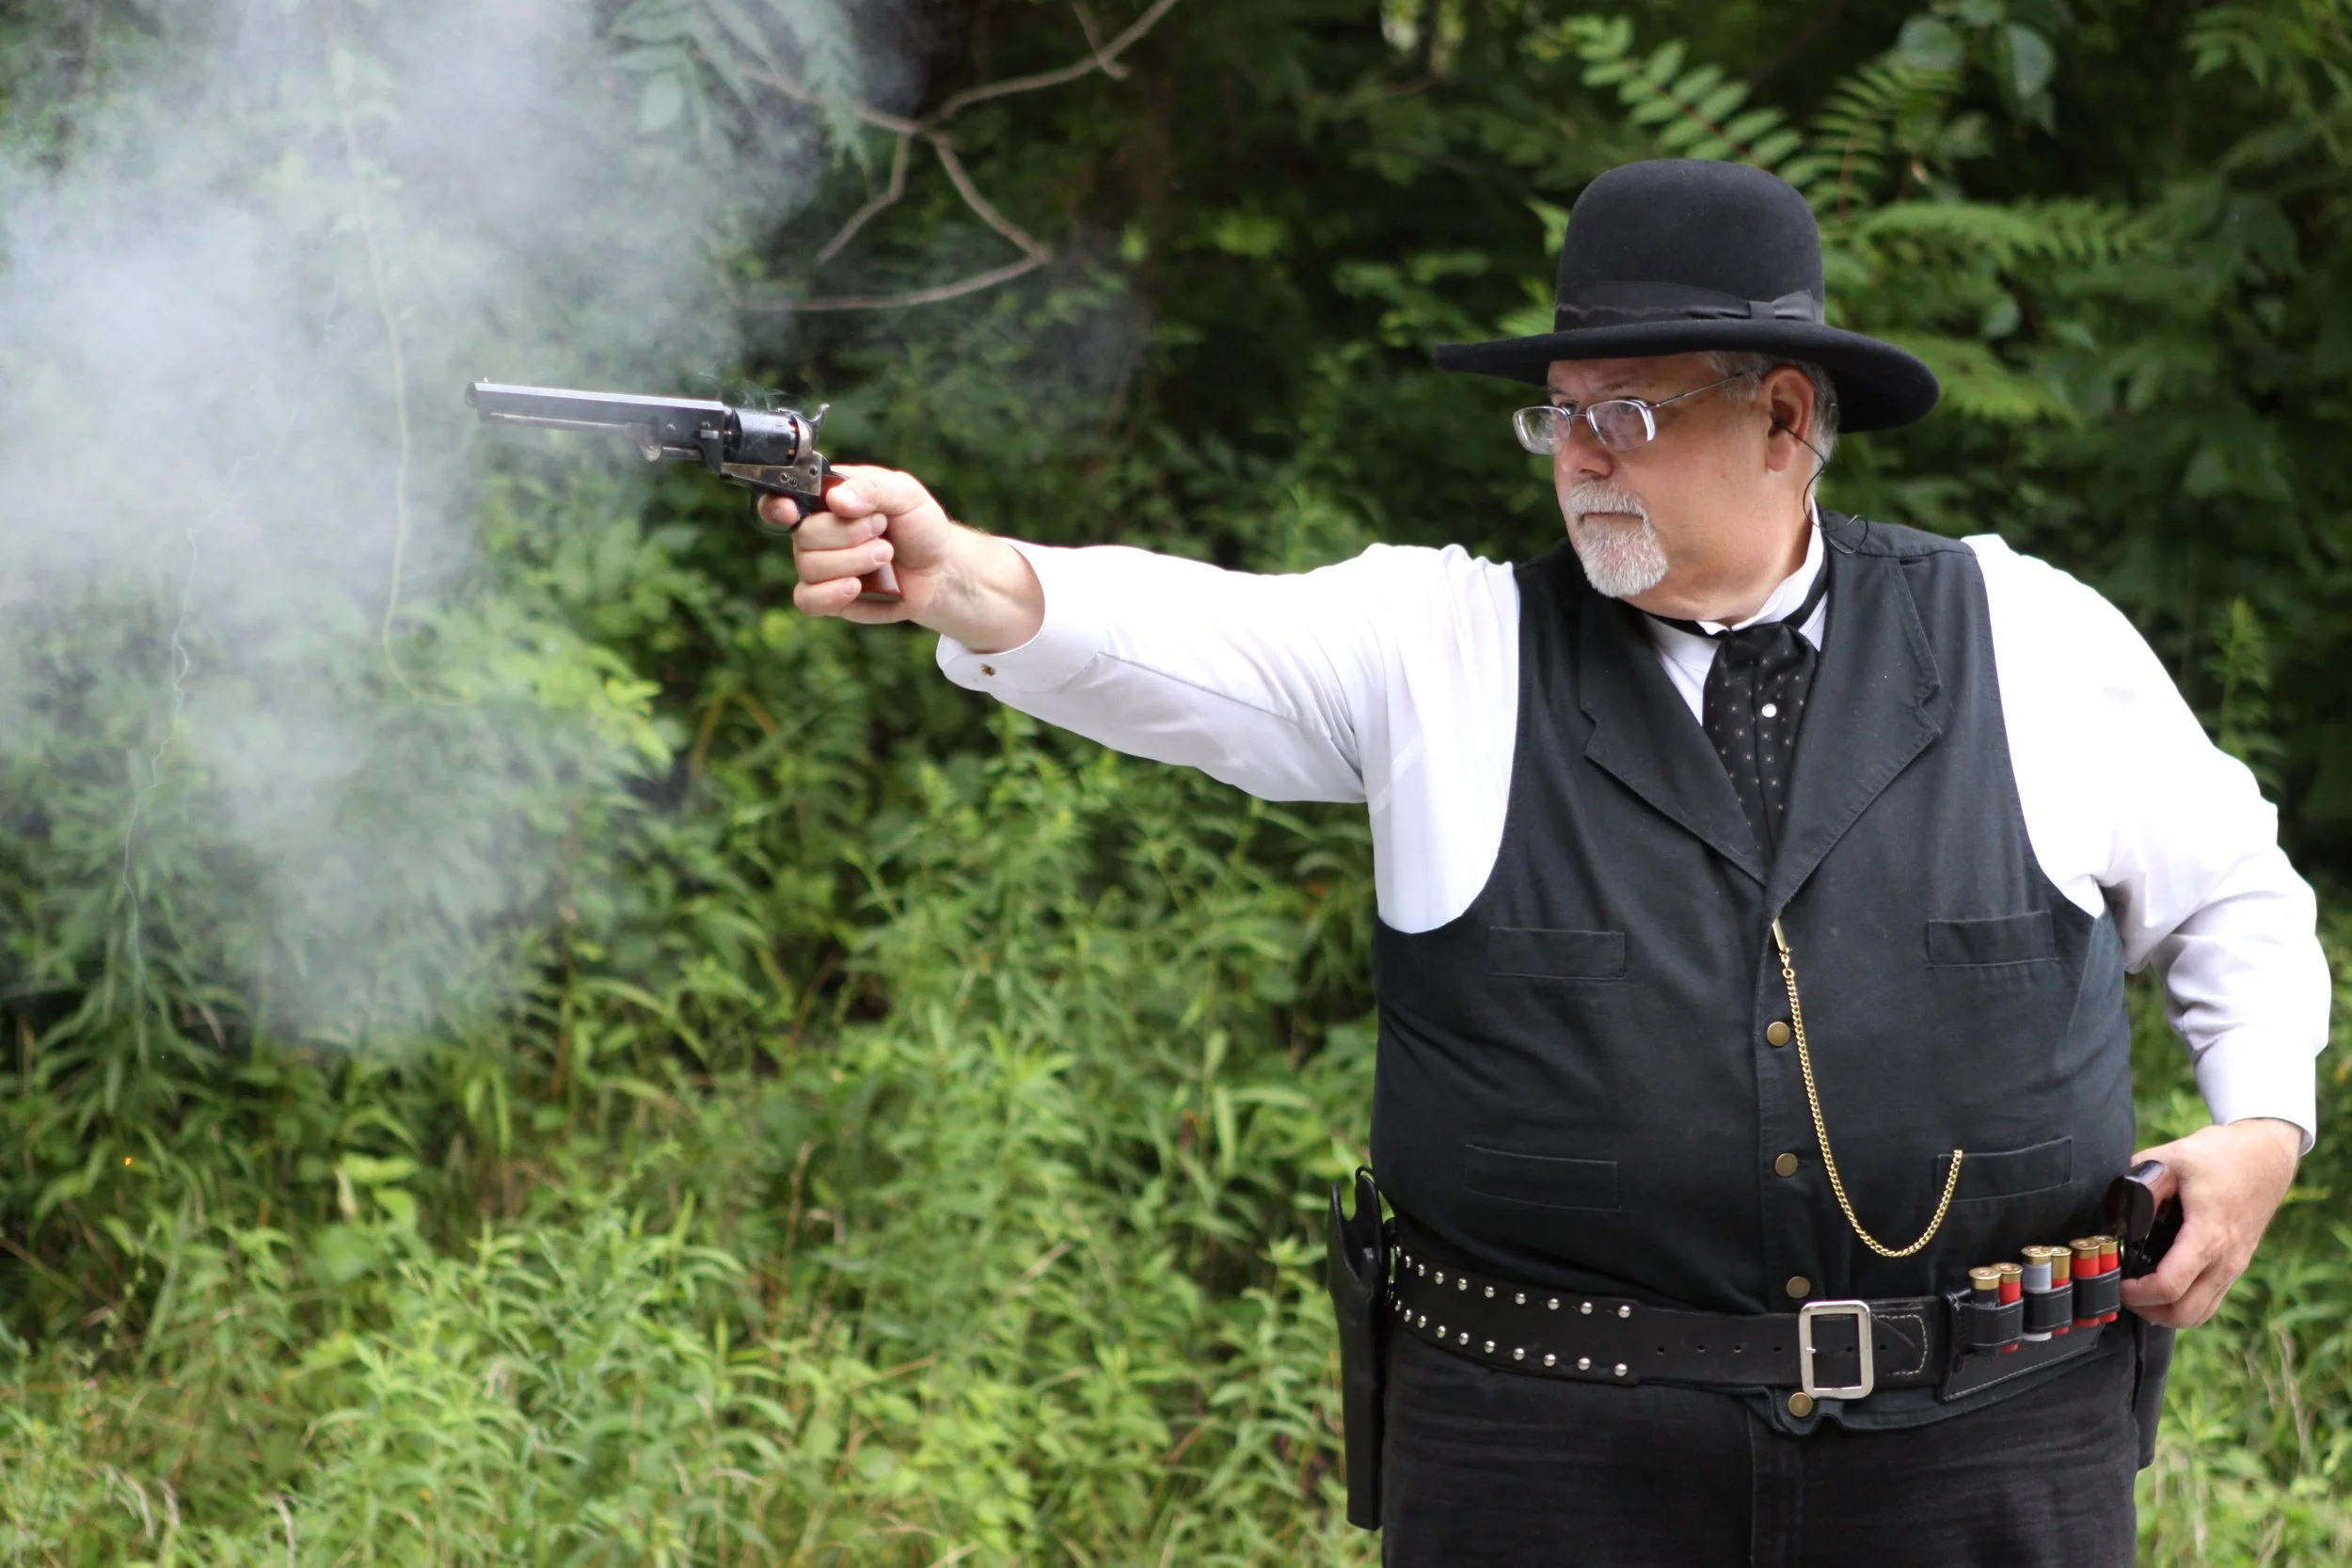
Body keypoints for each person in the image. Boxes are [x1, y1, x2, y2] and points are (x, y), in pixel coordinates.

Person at [763, 160, 2327, 1565]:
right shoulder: (1440, 647)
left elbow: (2236, 899)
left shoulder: (2028, 633)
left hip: (1985, 1454)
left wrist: (2261, 1126)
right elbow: (1186, 634)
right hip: (1546, 1459)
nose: (1579, 456)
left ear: (1786, 418)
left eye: (1627, 415)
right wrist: (958, 574)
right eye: (1560, 412)